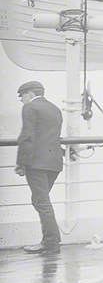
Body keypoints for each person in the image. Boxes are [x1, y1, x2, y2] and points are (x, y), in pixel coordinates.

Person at [15, 80, 63, 254]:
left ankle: (51, 243)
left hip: (36, 164)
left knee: (41, 202)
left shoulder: (30, 108)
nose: (21, 100)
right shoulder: (55, 109)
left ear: (30, 94)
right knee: (41, 201)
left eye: (22, 96)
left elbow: (27, 136)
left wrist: (21, 163)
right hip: (55, 163)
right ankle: (50, 240)